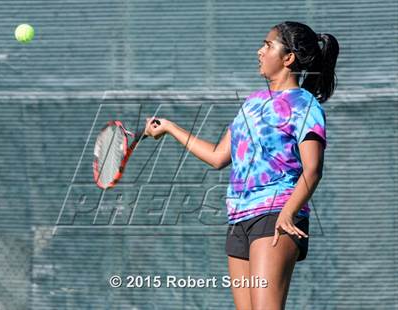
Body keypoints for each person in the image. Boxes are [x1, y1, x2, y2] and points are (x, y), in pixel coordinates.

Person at [144, 21, 339, 310]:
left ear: (288, 58)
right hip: (239, 219)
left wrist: (289, 212)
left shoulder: (304, 105)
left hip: (275, 215)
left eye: (268, 45)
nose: (260, 51)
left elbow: (313, 169)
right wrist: (171, 128)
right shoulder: (251, 104)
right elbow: (217, 156)